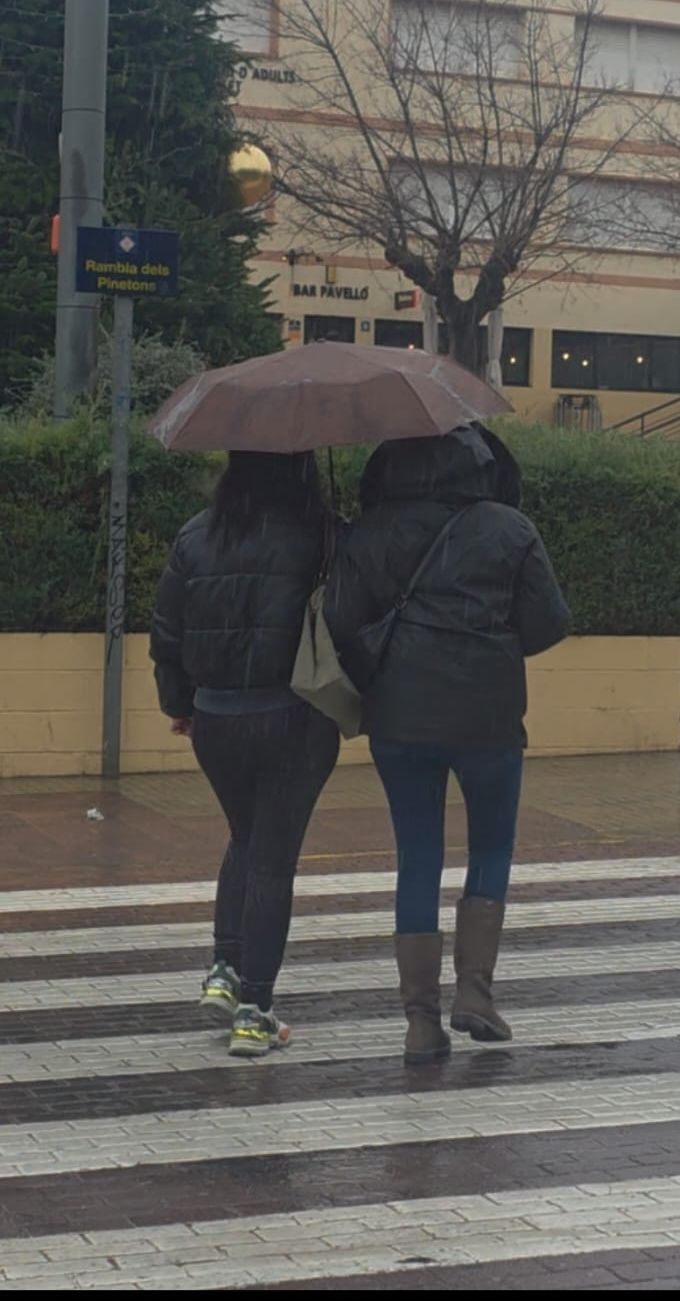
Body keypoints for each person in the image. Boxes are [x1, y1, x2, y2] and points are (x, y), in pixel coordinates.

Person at [325, 424, 569, 1066]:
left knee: (418, 855)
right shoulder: (509, 528)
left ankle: (419, 1021)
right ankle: (476, 995)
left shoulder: (370, 528)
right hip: (489, 714)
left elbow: (340, 619)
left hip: (398, 717)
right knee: (490, 846)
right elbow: (550, 624)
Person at [150, 450, 339, 1058]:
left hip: (215, 719)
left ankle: (223, 969)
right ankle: (256, 1009)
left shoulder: (196, 535)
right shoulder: (316, 536)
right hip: (292, 715)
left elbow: (167, 634)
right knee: (272, 860)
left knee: (245, 837)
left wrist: (180, 702)